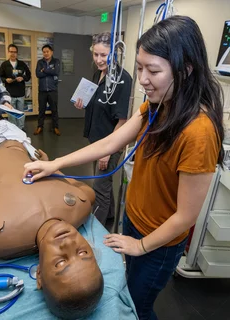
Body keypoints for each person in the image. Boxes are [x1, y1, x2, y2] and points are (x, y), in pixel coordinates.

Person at [24, 15, 225, 320]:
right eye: (140, 67)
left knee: (138, 307)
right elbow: (112, 141)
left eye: (153, 70)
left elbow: (186, 216)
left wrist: (141, 245)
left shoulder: (199, 132)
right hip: (135, 219)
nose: (143, 79)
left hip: (158, 242)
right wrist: (56, 163)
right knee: (126, 292)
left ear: (186, 70)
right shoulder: (158, 105)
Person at [0, 132, 103, 319]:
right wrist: (52, 168)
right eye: (83, 253)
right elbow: (76, 186)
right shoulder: (81, 204)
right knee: (12, 137)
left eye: (61, 262)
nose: (68, 243)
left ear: (39, 275)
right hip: (16, 150)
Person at [74, 32, 132, 226]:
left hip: (109, 143)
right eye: (95, 54)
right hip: (96, 140)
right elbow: (99, 103)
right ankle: (108, 218)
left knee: (99, 187)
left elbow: (122, 120)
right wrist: (84, 104)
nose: (99, 60)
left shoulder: (122, 80)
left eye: (104, 55)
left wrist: (107, 151)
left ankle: (96, 230)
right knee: (103, 184)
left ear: (115, 53)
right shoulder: (99, 73)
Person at [0, 44, 31, 130]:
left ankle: (20, 128)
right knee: (11, 112)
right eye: (11, 52)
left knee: (20, 112)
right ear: (8, 52)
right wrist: (6, 80)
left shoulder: (21, 64)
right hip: (10, 93)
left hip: (20, 92)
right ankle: (12, 128)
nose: (13, 54)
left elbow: (28, 76)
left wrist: (23, 78)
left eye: (15, 52)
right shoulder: (4, 65)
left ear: (17, 53)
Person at [34, 44, 61, 136]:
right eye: (44, 52)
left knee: (54, 110)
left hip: (52, 90)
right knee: (41, 110)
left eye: (47, 51)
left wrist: (44, 70)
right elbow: (38, 74)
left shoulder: (56, 61)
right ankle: (40, 127)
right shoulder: (40, 62)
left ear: (51, 52)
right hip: (42, 90)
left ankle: (56, 127)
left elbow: (56, 72)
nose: (46, 53)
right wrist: (49, 71)